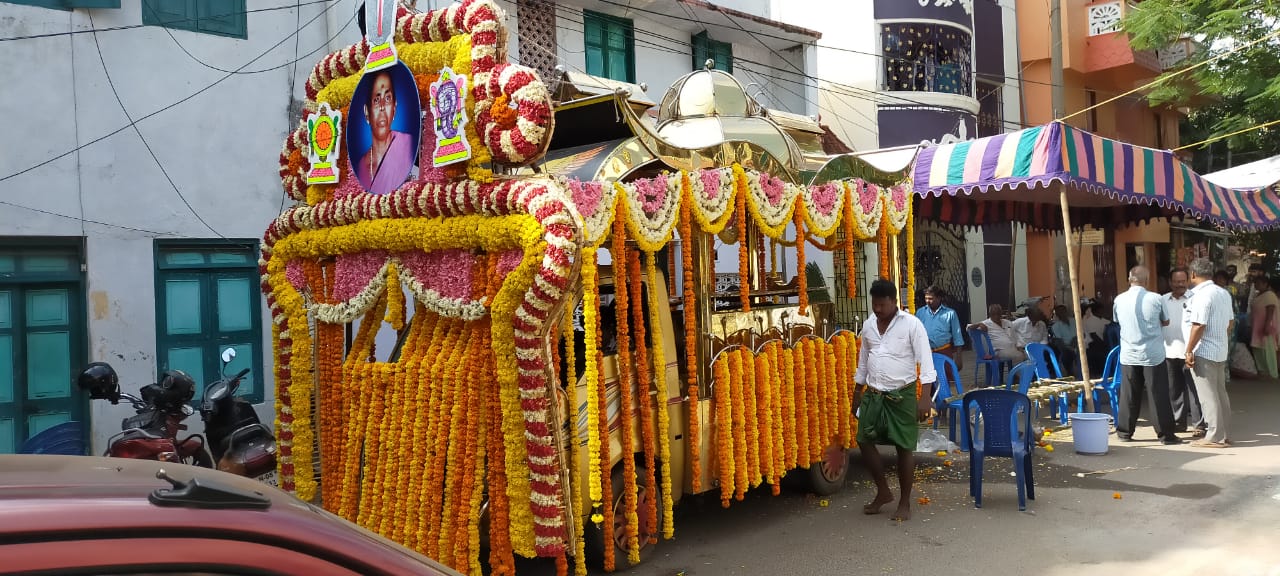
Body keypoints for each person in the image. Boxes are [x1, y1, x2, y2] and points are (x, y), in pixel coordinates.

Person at [853, 279, 937, 521]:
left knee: (904, 448)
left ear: (893, 302)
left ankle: (904, 502)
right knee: (863, 439)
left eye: (881, 304)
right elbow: (863, 361)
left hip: (903, 395)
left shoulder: (912, 325)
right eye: (874, 304)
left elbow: (927, 362)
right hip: (874, 393)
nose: (877, 309)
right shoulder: (869, 325)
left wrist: (925, 399)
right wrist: (856, 393)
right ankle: (883, 491)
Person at [1112, 266, 1180, 444]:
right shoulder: (1156, 299)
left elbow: (1117, 321)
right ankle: (1165, 435)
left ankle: (1125, 432)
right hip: (1152, 353)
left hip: (1129, 353)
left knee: (1129, 394)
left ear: (1129, 279)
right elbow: (1166, 321)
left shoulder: (1119, 299)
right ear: (1147, 280)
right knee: (1158, 394)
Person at [1184, 258, 1235, 447]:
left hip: (1204, 350)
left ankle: (1214, 436)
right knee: (1220, 393)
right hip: (1220, 349)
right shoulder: (1223, 293)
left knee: (1208, 395)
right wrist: (1220, 338)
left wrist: (1189, 350)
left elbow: (1198, 325)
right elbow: (1230, 322)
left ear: (1193, 274)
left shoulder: (1201, 295)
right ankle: (1225, 434)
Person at [354, 70, 417, 195]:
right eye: (376, 100)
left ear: (394, 107)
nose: (382, 106)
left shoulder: (408, 144)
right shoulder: (361, 166)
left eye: (387, 98)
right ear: (367, 112)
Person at [1163, 268, 1204, 435]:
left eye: (1182, 281)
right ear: (1170, 282)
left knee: (1195, 390)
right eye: (1176, 281)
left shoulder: (1196, 298)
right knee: (1175, 390)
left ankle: (1199, 425)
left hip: (1191, 352)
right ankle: (1179, 423)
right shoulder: (1162, 300)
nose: (1179, 284)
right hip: (1170, 351)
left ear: (1188, 281)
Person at [916, 285, 965, 371]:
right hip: (926, 354)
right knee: (928, 381)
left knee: (946, 380)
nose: (928, 301)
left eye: (931, 299)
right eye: (926, 298)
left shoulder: (950, 313)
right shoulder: (920, 312)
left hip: (944, 352)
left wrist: (959, 357)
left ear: (939, 298)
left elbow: (957, 337)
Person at [1249, 275, 1278, 379]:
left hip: (1266, 327)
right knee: (1258, 348)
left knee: (1268, 350)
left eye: (1259, 283)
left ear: (1265, 284)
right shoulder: (1258, 295)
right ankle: (1263, 371)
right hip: (1257, 327)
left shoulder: (1269, 295)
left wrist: (1266, 325)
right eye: (1255, 283)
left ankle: (1271, 372)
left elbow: (1270, 310)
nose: (1256, 285)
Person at [1049, 304, 1079, 377]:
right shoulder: (1055, 326)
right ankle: (1070, 372)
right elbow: (1059, 341)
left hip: (1078, 343)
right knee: (1066, 353)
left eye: (1063, 311)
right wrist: (1070, 348)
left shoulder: (1075, 321)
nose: (1062, 314)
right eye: (1059, 312)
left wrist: (1075, 341)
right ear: (1057, 314)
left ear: (1066, 311)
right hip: (1067, 346)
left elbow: (1080, 334)